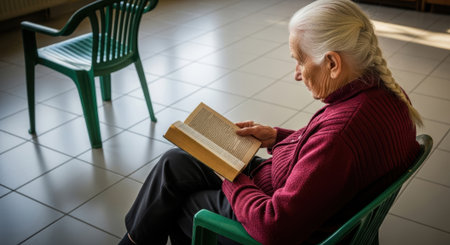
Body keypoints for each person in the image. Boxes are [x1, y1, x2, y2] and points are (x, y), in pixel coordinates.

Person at [120, 0, 422, 244]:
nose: (296, 73)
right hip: (295, 192)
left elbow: (275, 228)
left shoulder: (340, 135)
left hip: (275, 216)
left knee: (182, 205)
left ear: (332, 63)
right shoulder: (386, 96)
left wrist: (231, 176)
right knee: (176, 161)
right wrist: (277, 136)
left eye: (300, 60)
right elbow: (326, 151)